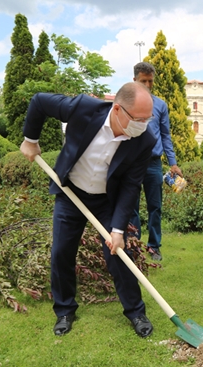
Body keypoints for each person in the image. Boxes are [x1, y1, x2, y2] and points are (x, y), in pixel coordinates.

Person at [20, 82, 157, 338]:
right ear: (118, 110)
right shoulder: (84, 109)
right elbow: (39, 101)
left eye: (148, 119)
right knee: (62, 251)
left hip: (106, 201)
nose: (144, 125)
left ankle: (136, 312)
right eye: (139, 119)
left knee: (118, 254)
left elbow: (130, 187)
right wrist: (31, 139)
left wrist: (117, 229)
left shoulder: (144, 141)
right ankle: (64, 310)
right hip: (70, 194)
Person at [128, 62, 182, 262]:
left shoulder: (160, 105)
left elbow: (166, 136)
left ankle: (154, 246)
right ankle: (133, 246)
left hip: (153, 164)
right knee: (130, 206)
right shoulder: (127, 104)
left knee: (155, 207)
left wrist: (173, 162)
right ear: (135, 81)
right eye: (144, 81)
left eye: (150, 81)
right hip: (132, 164)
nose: (148, 85)